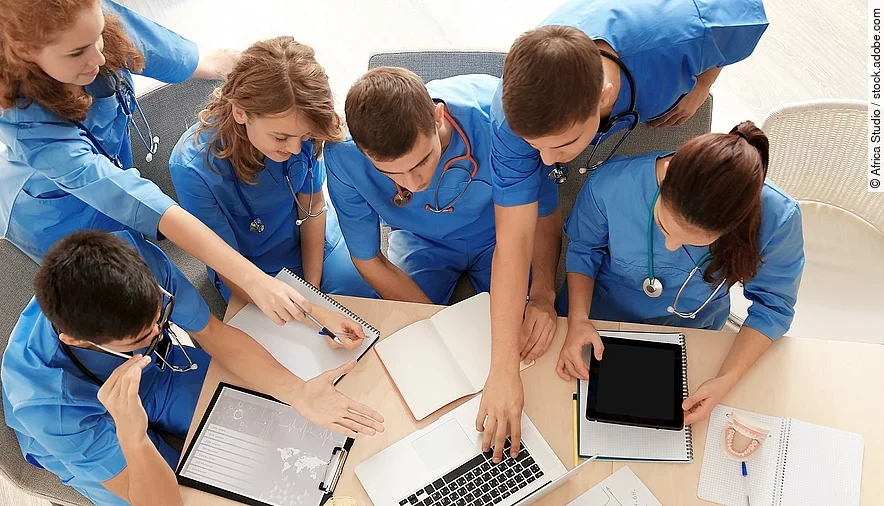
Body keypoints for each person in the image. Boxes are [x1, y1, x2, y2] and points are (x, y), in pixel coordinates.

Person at [480, 0, 770, 462]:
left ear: (603, 99)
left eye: (561, 146)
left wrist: (702, 84)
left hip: (657, 65)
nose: (547, 162)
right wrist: (502, 371)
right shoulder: (512, 122)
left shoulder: (679, 34)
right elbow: (512, 243)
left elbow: (744, 22)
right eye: (535, 147)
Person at [0, 0, 311, 325]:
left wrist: (201, 63)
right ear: (26, 52)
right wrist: (254, 280)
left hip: (118, 185)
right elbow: (140, 199)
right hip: (54, 218)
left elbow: (148, 43)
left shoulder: (86, 28)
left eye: (97, 35)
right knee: (129, 308)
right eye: (77, 52)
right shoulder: (29, 129)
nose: (98, 57)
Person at [1, 230, 384, 506]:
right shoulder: (48, 405)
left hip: (159, 374)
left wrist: (299, 393)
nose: (158, 331)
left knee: (270, 422)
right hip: (91, 422)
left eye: (160, 318)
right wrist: (133, 438)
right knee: (194, 496)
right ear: (79, 341)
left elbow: (214, 335)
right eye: (140, 337)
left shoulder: (136, 261)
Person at [557, 121, 804, 424]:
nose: (671, 246)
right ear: (668, 172)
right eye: (663, 226)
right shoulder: (613, 185)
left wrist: (726, 378)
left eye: (693, 240)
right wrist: (579, 319)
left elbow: (773, 308)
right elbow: (584, 249)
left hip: (694, 335)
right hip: (599, 321)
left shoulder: (778, 219)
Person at [323, 67, 559, 323]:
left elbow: (544, 211)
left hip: (503, 232)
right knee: (408, 333)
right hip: (420, 240)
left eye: (420, 162)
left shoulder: (500, 121)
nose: (412, 185)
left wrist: (543, 296)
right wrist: (437, 327)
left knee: (528, 330)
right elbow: (369, 259)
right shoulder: (343, 155)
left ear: (438, 117)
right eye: (391, 173)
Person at [170, 37, 376, 302]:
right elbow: (223, 258)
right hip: (246, 269)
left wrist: (311, 291)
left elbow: (312, 205)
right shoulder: (192, 168)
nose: (293, 148)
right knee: (282, 336)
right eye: (280, 138)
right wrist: (300, 306)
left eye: (302, 136)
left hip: (314, 243)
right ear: (241, 113)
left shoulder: (304, 129)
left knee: (366, 305)